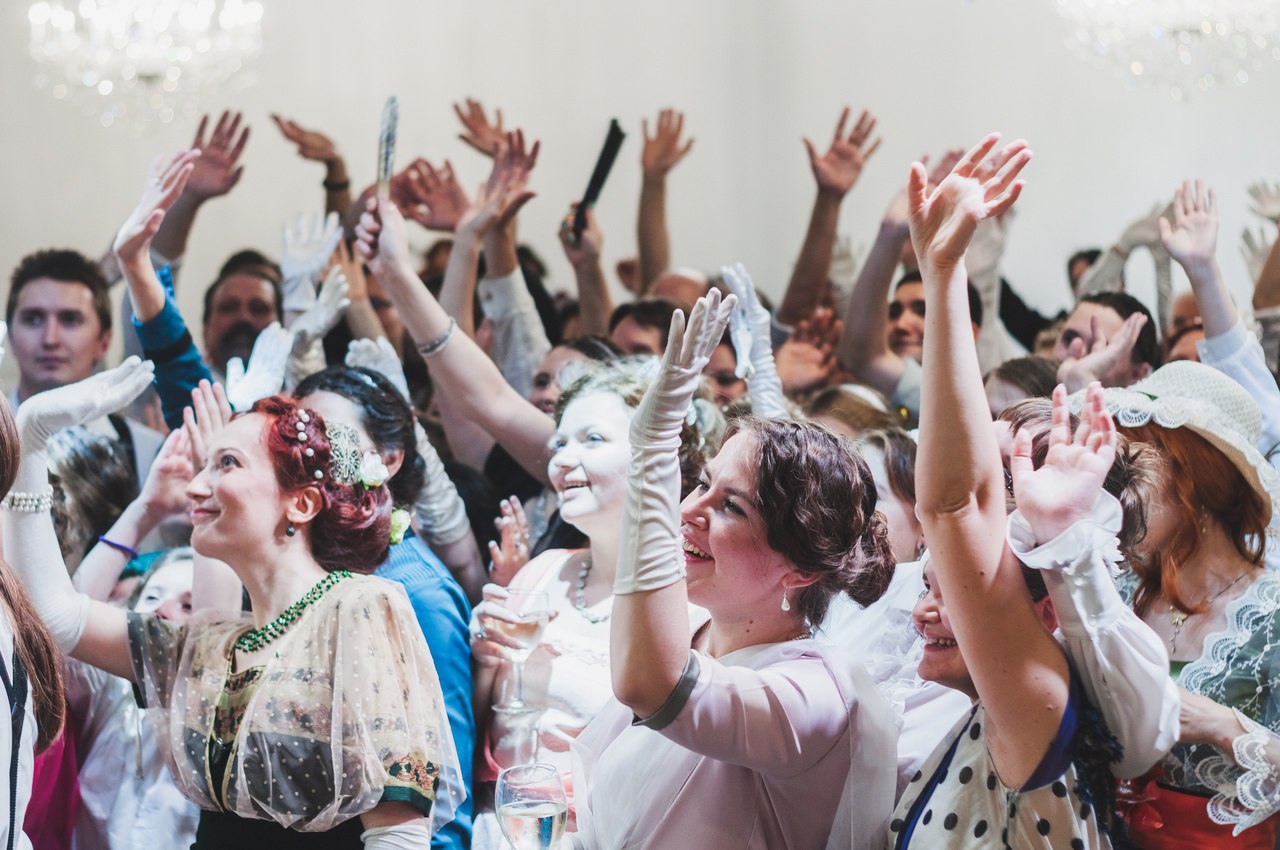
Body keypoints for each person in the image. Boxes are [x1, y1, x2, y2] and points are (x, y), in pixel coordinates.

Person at [2, 358, 462, 848]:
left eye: (226, 463)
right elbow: (56, 616)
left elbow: (398, 834)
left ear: (302, 503)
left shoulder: (358, 606)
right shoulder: (210, 645)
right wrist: (32, 437)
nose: (195, 486)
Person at [889, 133, 1173, 848]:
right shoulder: (1000, 711)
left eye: (953, 587)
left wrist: (944, 274)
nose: (927, 607)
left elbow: (953, 505)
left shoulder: (1036, 704)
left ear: (1045, 606)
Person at [570, 289, 899, 849]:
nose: (689, 510)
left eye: (731, 507)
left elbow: (654, 687)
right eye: (702, 483)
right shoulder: (692, 632)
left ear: (798, 569)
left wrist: (653, 451)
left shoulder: (817, 695)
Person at [1093, 359, 1280, 846]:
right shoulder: (1115, 591)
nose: (1117, 496)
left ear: (1196, 478)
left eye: (1135, 473)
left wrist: (1224, 725)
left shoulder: (1270, 613)